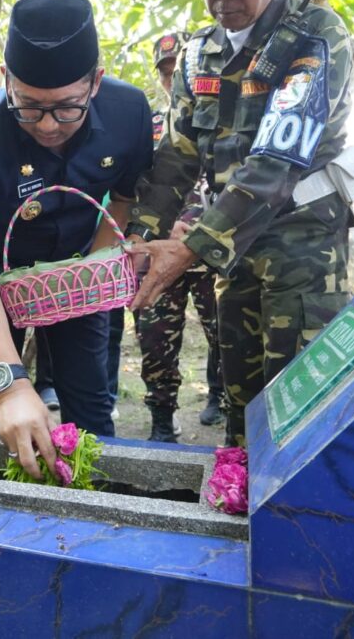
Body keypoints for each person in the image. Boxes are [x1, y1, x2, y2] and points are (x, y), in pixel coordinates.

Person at [126, 0, 354, 447]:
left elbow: (276, 163)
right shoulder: (197, 54)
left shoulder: (316, 36)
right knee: (242, 403)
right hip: (233, 255)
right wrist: (136, 238)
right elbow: (175, 159)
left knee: (303, 407)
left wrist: (187, 249)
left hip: (301, 252)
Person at [0, 0, 153, 478]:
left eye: (67, 108)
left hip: (79, 268)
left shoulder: (129, 112)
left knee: (90, 400)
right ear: (6, 81)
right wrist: (12, 385)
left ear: (96, 82)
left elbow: (125, 195)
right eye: (29, 107)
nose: (49, 125)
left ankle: (95, 505)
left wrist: (91, 270)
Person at [137, 33, 225, 441]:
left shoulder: (224, 121)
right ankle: (160, 419)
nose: (173, 79)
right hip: (159, 253)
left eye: (179, 71)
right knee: (156, 336)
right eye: (165, 72)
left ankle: (220, 397)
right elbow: (143, 183)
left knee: (225, 332)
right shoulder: (149, 126)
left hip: (213, 250)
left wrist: (196, 229)